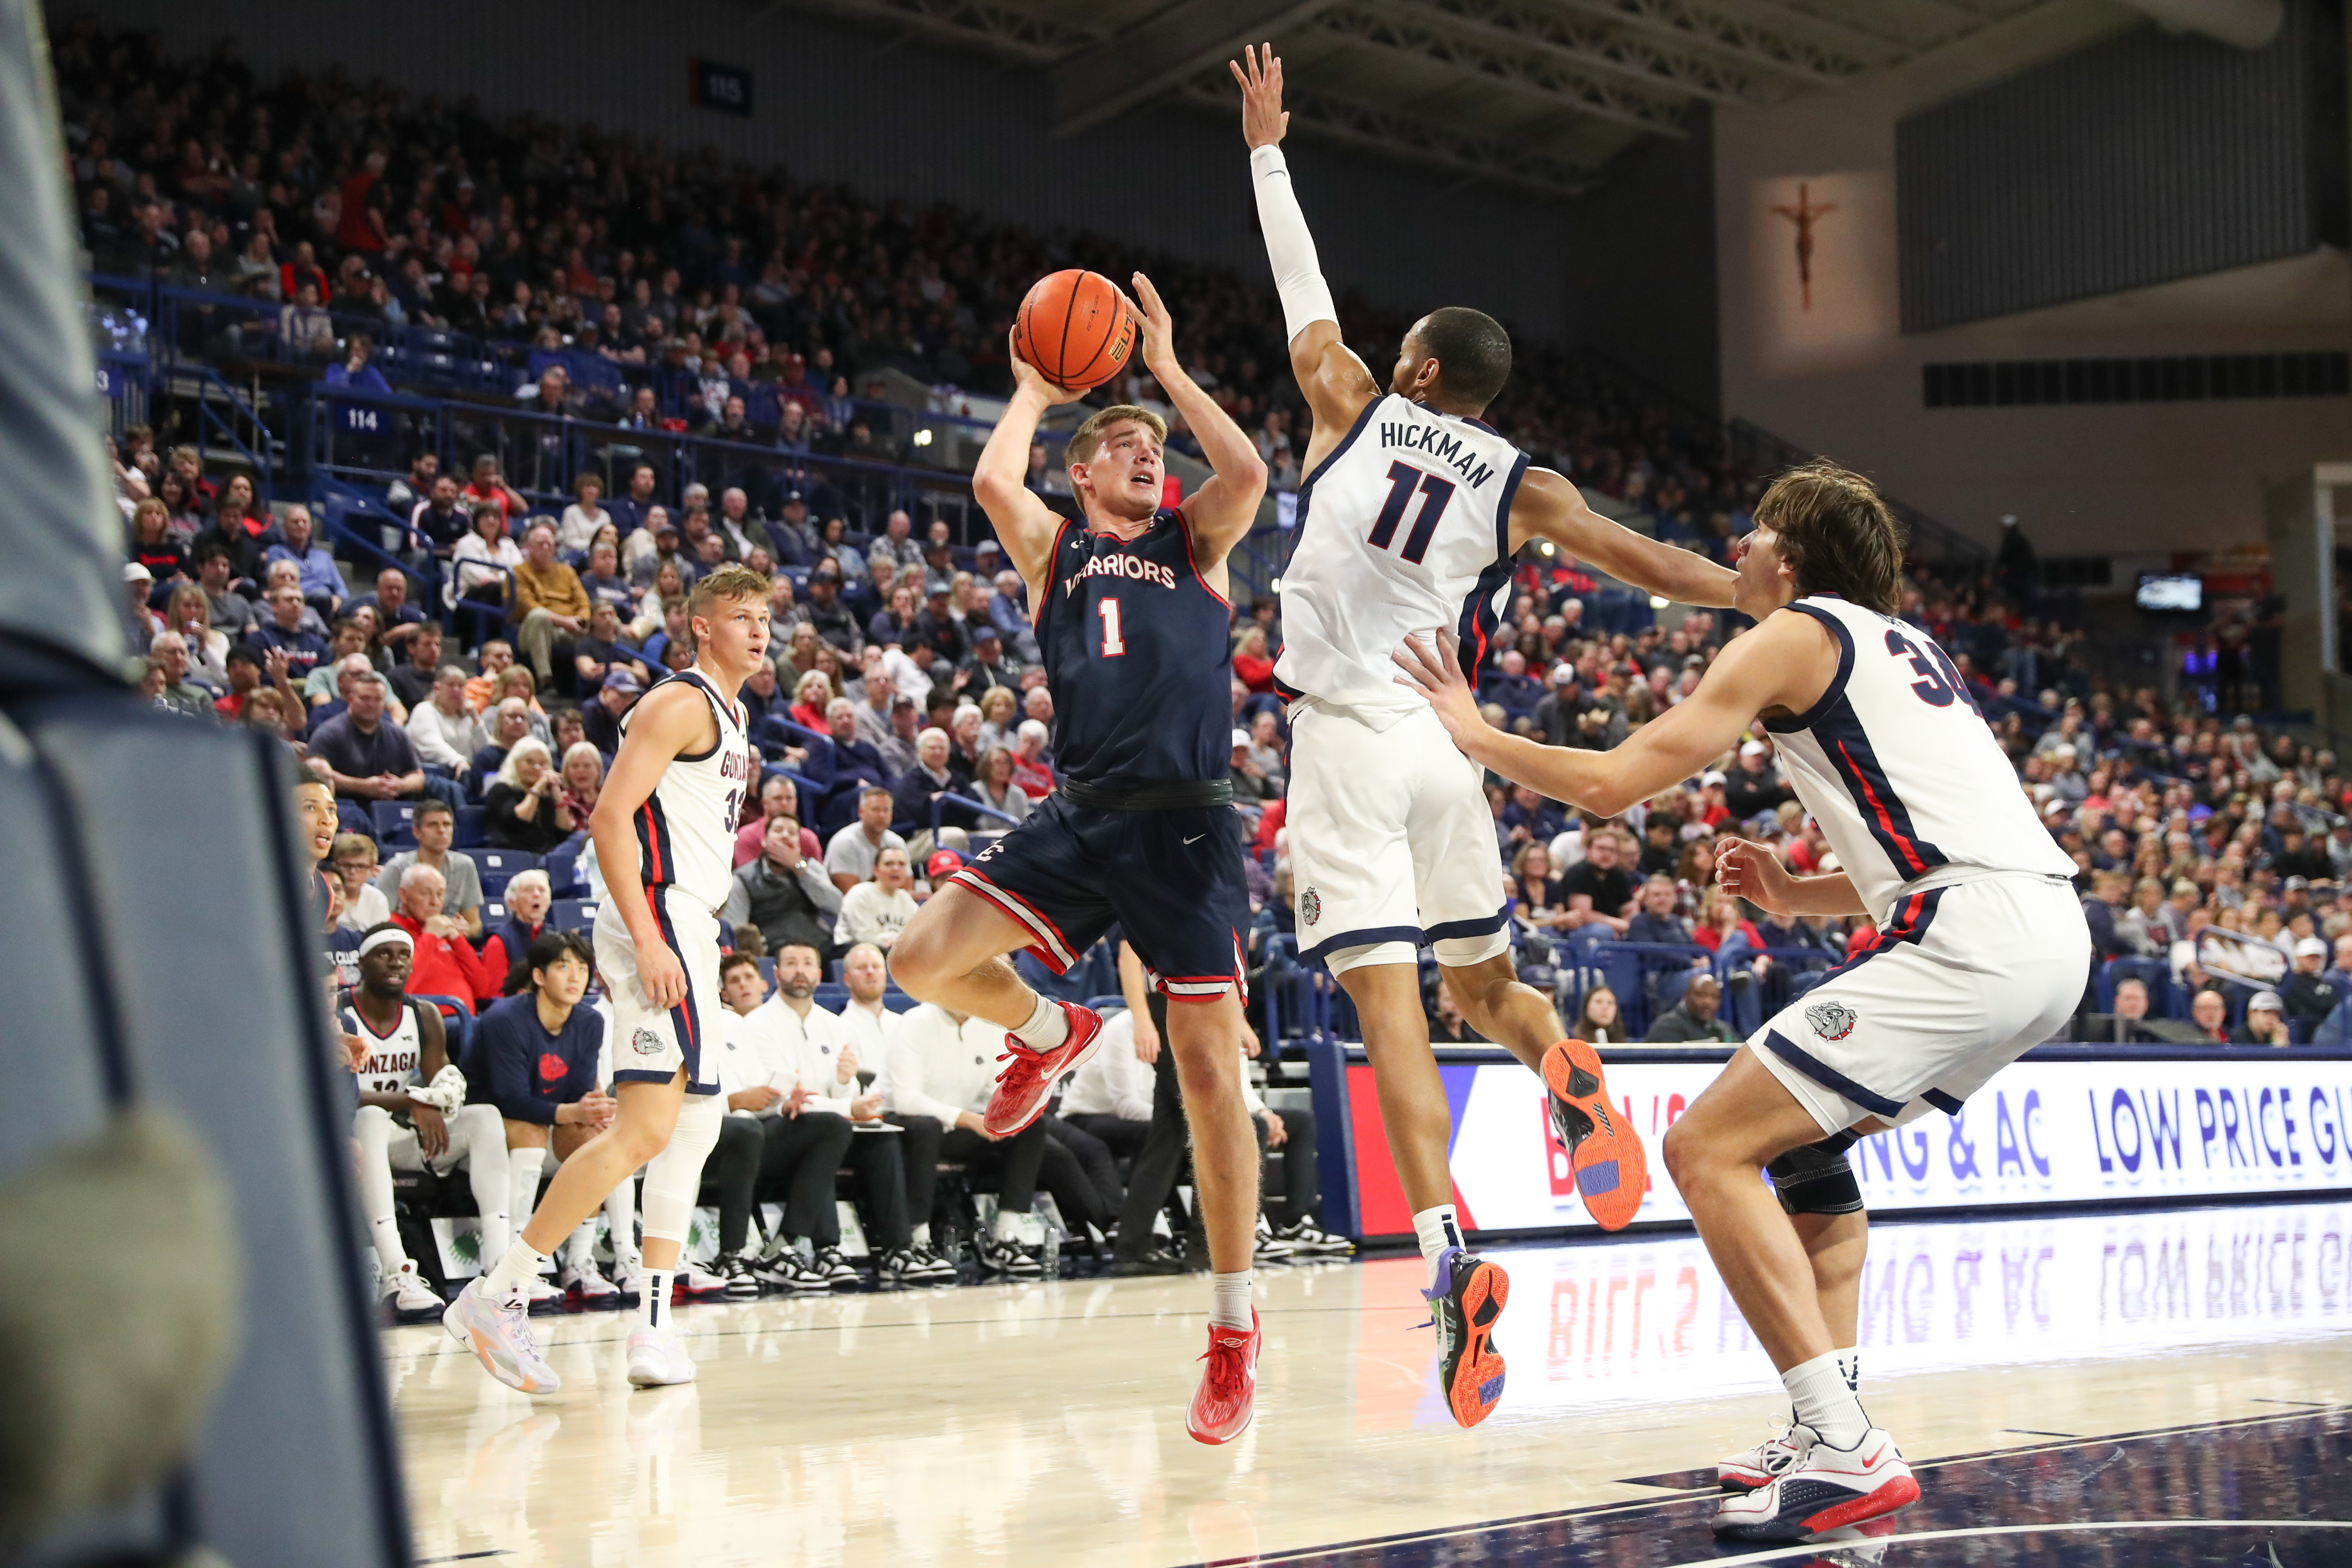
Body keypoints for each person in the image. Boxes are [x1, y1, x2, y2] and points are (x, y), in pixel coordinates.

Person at [1395, 459, 2087, 1540]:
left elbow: (1615, 780)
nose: (1739, 552)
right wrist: (1789, 890)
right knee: (1803, 1151)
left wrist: (1473, 733)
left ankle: (1844, 1447)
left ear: (1793, 556)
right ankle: (1830, 1420)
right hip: (2043, 929)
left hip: (1970, 935)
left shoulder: (1792, 632)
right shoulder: (1910, 647)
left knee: (1705, 1149)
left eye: (1756, 534)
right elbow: (1932, 839)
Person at [1232, 44, 1738, 1431]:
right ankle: (1564, 1062)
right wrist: (1743, 587)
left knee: (1387, 1007)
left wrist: (1269, 149)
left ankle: (1449, 1251)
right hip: (1450, 740)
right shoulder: (1525, 484)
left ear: (1413, 366)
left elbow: (1301, 293)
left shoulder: (1350, 396)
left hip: (1345, 737)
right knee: (1480, 984)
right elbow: (1643, 560)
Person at [886, 272, 1272, 1444]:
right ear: (1083, 472)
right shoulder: (1055, 551)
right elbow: (993, 478)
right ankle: (1054, 1032)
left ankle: (1232, 1332)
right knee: (919, 956)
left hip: (1188, 825)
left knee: (1209, 1083)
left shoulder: (1197, 542)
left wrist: (1163, 374)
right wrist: (1029, 386)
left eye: (1151, 447)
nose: (1143, 454)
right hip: (1085, 810)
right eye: (1118, 444)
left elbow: (1249, 474)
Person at [446, 565, 769, 1393]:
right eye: (741, 615)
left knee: (692, 1129)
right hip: (654, 919)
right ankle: (499, 1288)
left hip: (692, 922)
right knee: (643, 1128)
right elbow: (609, 816)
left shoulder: (736, 718)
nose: (759, 629)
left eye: (765, 615)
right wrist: (655, 934)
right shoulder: (680, 702)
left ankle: (652, 1331)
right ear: (701, 626)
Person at [343, 924, 512, 1323]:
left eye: (403, 955)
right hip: (352, 1136)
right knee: (369, 1114)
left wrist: (436, 1098)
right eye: (384, 954)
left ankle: (500, 1265)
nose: (396, 963)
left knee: (485, 1117)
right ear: (363, 963)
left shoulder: (425, 1015)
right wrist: (411, 1101)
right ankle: (396, 1272)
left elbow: (438, 1081)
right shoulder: (340, 1013)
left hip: (401, 1133)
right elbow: (339, 1092)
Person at [468, 931, 637, 1314]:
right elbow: (507, 1098)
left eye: (582, 968)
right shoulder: (503, 1019)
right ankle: (514, 1264)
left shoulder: (590, 1021)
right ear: (540, 977)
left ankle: (579, 1262)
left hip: (547, 1120)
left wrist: (587, 1111)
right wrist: (572, 1112)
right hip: (486, 1128)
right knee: (528, 1133)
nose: (576, 977)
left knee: (602, 1139)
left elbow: (577, 1093)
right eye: (564, 967)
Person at [722, 812, 843, 957]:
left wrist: (799, 868)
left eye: (792, 833)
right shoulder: (743, 879)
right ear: (764, 841)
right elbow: (736, 930)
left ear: (799, 843)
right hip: (773, 952)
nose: (785, 836)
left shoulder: (811, 868)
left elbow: (837, 905)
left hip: (818, 948)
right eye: (778, 831)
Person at [374, 797, 486, 938]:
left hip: (450, 943)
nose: (441, 830)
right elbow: (380, 922)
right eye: (433, 825)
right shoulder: (397, 868)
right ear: (417, 832)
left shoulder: (465, 865)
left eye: (447, 825)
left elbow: (475, 924)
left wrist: (464, 930)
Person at [482, 737, 578, 855]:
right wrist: (538, 787)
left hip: (546, 856)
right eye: (530, 762)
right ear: (515, 764)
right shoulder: (501, 790)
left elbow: (565, 830)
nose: (537, 768)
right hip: (513, 854)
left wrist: (556, 791)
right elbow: (521, 820)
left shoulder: (547, 797)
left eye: (543, 764)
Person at [824, 785, 905, 893]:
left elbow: (906, 890)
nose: (881, 815)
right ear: (861, 812)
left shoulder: (897, 843)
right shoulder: (844, 842)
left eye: (886, 810)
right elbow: (850, 895)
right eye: (876, 810)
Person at [837, 845, 920, 950]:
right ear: (876, 870)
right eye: (889, 864)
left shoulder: (906, 899)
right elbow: (862, 937)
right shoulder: (860, 893)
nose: (896, 868)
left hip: (893, 951)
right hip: (853, 951)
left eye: (902, 864)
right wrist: (899, 942)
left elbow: (917, 936)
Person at [1643, 973, 1739, 1043]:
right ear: (1686, 996)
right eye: (1701, 995)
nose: (1708, 1002)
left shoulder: (1723, 1030)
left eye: (1715, 997)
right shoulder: (1667, 1026)